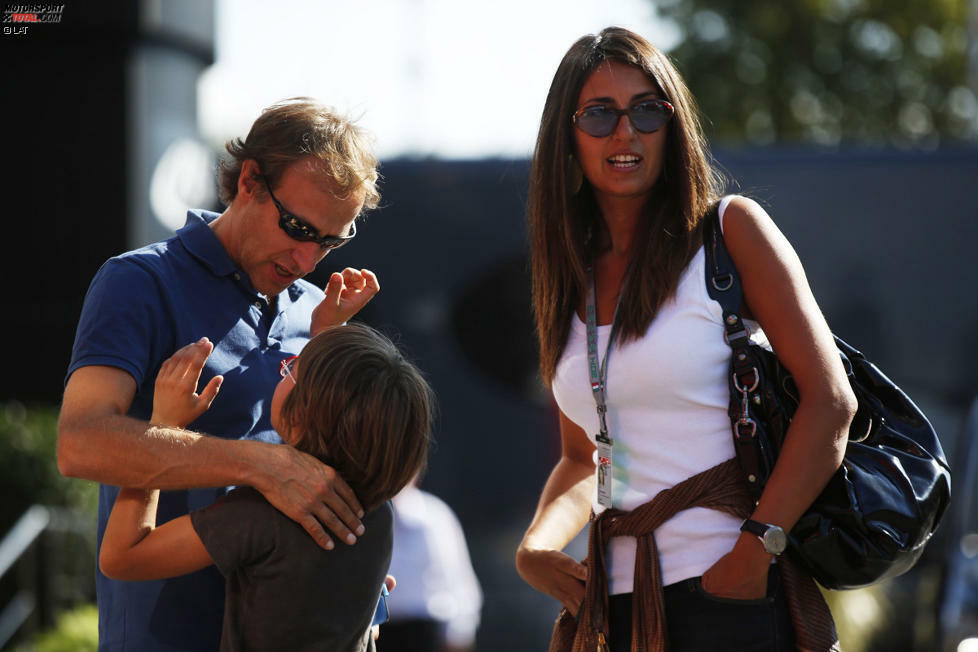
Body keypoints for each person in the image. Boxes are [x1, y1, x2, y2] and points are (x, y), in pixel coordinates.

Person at [514, 27, 858, 651]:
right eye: (599, 115)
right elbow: (584, 456)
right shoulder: (569, 276)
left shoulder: (732, 232)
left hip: (731, 593)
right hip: (613, 609)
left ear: (672, 126)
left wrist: (755, 553)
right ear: (566, 135)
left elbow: (832, 403)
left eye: (648, 110)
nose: (626, 132)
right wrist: (537, 547)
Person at [57, 97, 382, 650]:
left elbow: (327, 478)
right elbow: (80, 444)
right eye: (298, 227)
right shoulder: (140, 281)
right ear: (250, 180)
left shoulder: (318, 310)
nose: (307, 260)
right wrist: (263, 466)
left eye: (330, 241)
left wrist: (362, 584)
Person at [99, 323, 433, 651]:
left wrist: (163, 427)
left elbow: (122, 558)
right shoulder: (379, 511)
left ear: (301, 415)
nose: (280, 372)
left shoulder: (264, 513)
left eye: (290, 370)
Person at [376, 480, 483, 652]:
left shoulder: (436, 517)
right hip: (373, 633)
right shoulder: (358, 515)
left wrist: (458, 636)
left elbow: (460, 587)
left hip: (424, 635)